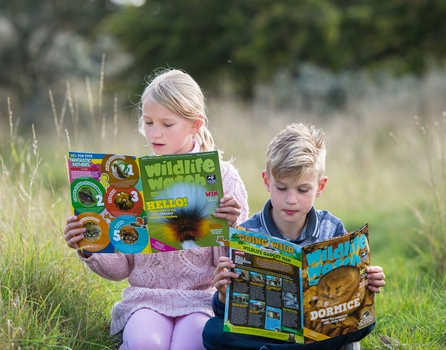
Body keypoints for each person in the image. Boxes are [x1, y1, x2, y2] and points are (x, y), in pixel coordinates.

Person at [64, 68, 249, 350]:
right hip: (146, 299)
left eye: (166, 124)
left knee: (188, 345)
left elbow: (232, 266)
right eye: (148, 122)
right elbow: (120, 268)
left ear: (195, 125)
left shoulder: (224, 178)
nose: (154, 133)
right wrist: (89, 245)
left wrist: (231, 228)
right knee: (144, 344)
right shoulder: (131, 181)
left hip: (201, 300)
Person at [202, 123, 386, 350]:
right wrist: (222, 294)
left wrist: (367, 284)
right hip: (270, 333)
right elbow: (226, 314)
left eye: (302, 190)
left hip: (318, 332)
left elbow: (352, 308)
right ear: (267, 181)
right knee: (212, 331)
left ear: (320, 186)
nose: (291, 200)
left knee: (362, 325)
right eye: (281, 188)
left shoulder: (332, 228)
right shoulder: (247, 234)